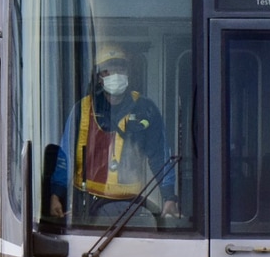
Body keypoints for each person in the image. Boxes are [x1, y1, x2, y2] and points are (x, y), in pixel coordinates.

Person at [48, 44, 179, 220]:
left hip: (131, 205)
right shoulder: (82, 109)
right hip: (88, 204)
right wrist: (56, 194)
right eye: (107, 70)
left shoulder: (145, 109)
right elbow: (66, 156)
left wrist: (169, 197)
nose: (115, 74)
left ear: (128, 72)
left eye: (120, 67)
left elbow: (160, 157)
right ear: (99, 77)